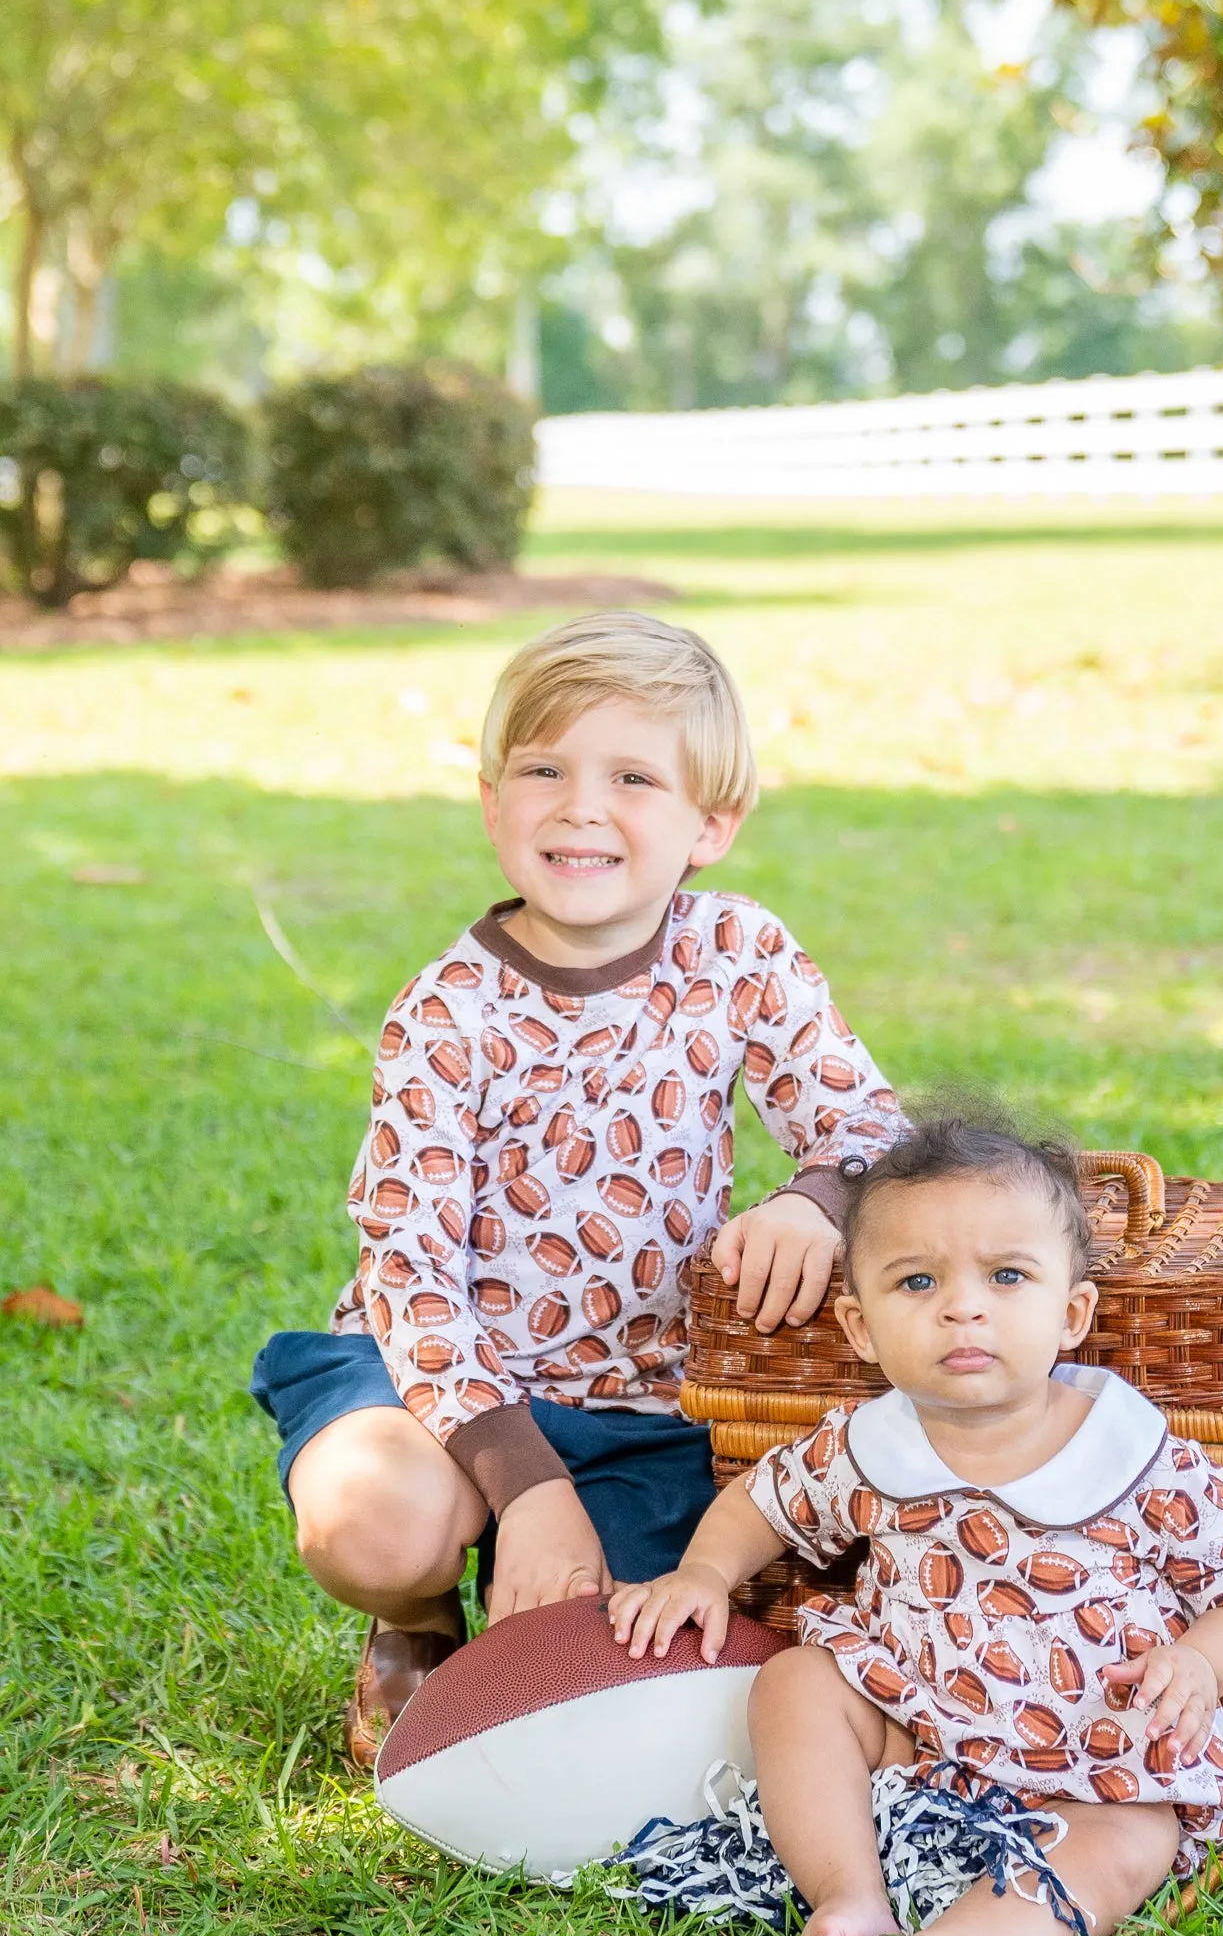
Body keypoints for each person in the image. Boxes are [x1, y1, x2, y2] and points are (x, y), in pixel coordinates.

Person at [250, 612, 904, 1767]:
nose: (581, 805)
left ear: (712, 823)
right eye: (542, 768)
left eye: (633, 776)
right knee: (382, 1525)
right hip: (441, 1385)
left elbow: (868, 1125)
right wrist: (525, 1487)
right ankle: (415, 1616)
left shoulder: (736, 955)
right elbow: (409, 1271)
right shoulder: (448, 1010)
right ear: (493, 800)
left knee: (636, 1661)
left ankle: (533, 1571)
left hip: (641, 1398)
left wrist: (812, 1198)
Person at [609, 1116, 1223, 1936]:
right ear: (859, 1325)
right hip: (914, 1724)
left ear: (1071, 1312)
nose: (961, 1308)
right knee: (794, 1684)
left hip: (1092, 1757)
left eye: (1007, 1277)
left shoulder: (1136, 1455)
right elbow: (763, 1501)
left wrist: (1202, 1661)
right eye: (917, 1282)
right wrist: (702, 1572)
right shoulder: (869, 1447)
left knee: (1131, 1846)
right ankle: (850, 1893)